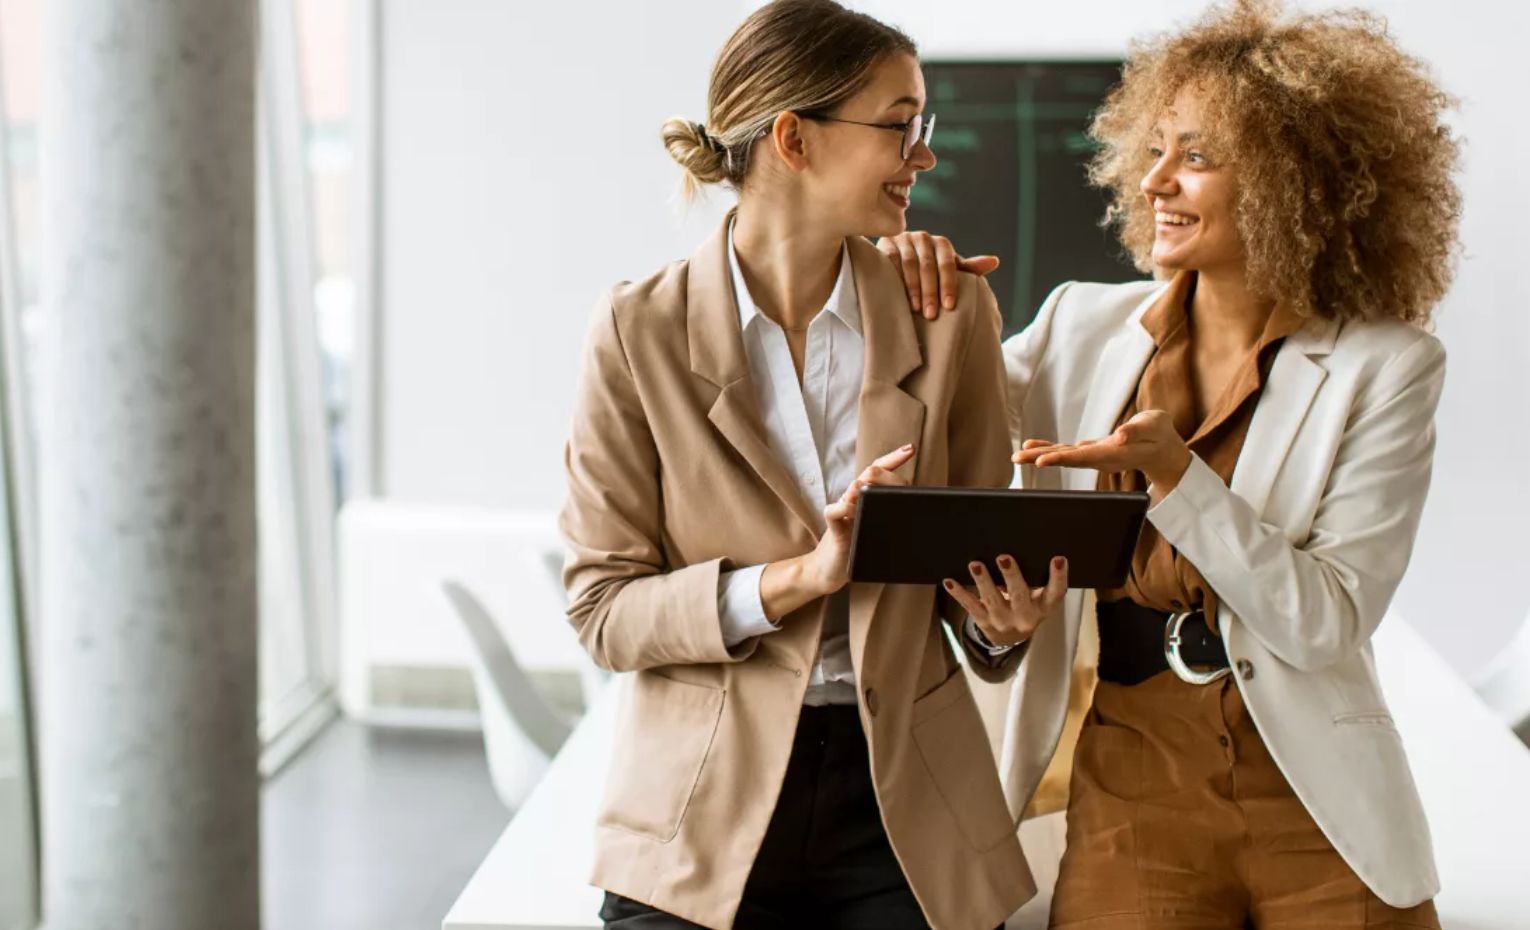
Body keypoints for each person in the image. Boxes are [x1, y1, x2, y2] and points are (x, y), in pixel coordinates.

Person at [877, 2, 1460, 926]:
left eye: (1195, 155)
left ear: (1293, 182)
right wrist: (904, 282)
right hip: (1133, 782)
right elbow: (938, 423)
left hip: (1315, 798)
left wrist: (1178, 478)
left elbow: (1324, 622)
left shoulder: (1386, 367)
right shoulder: (1079, 324)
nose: (1154, 182)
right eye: (1152, 150)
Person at [559, 2, 1067, 928]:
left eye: (927, 126)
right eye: (899, 125)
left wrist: (1003, 623)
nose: (924, 155)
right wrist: (797, 579)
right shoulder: (640, 333)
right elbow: (603, 612)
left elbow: (979, 579)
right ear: (793, 138)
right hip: (699, 805)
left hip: (907, 804)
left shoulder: (951, 315)